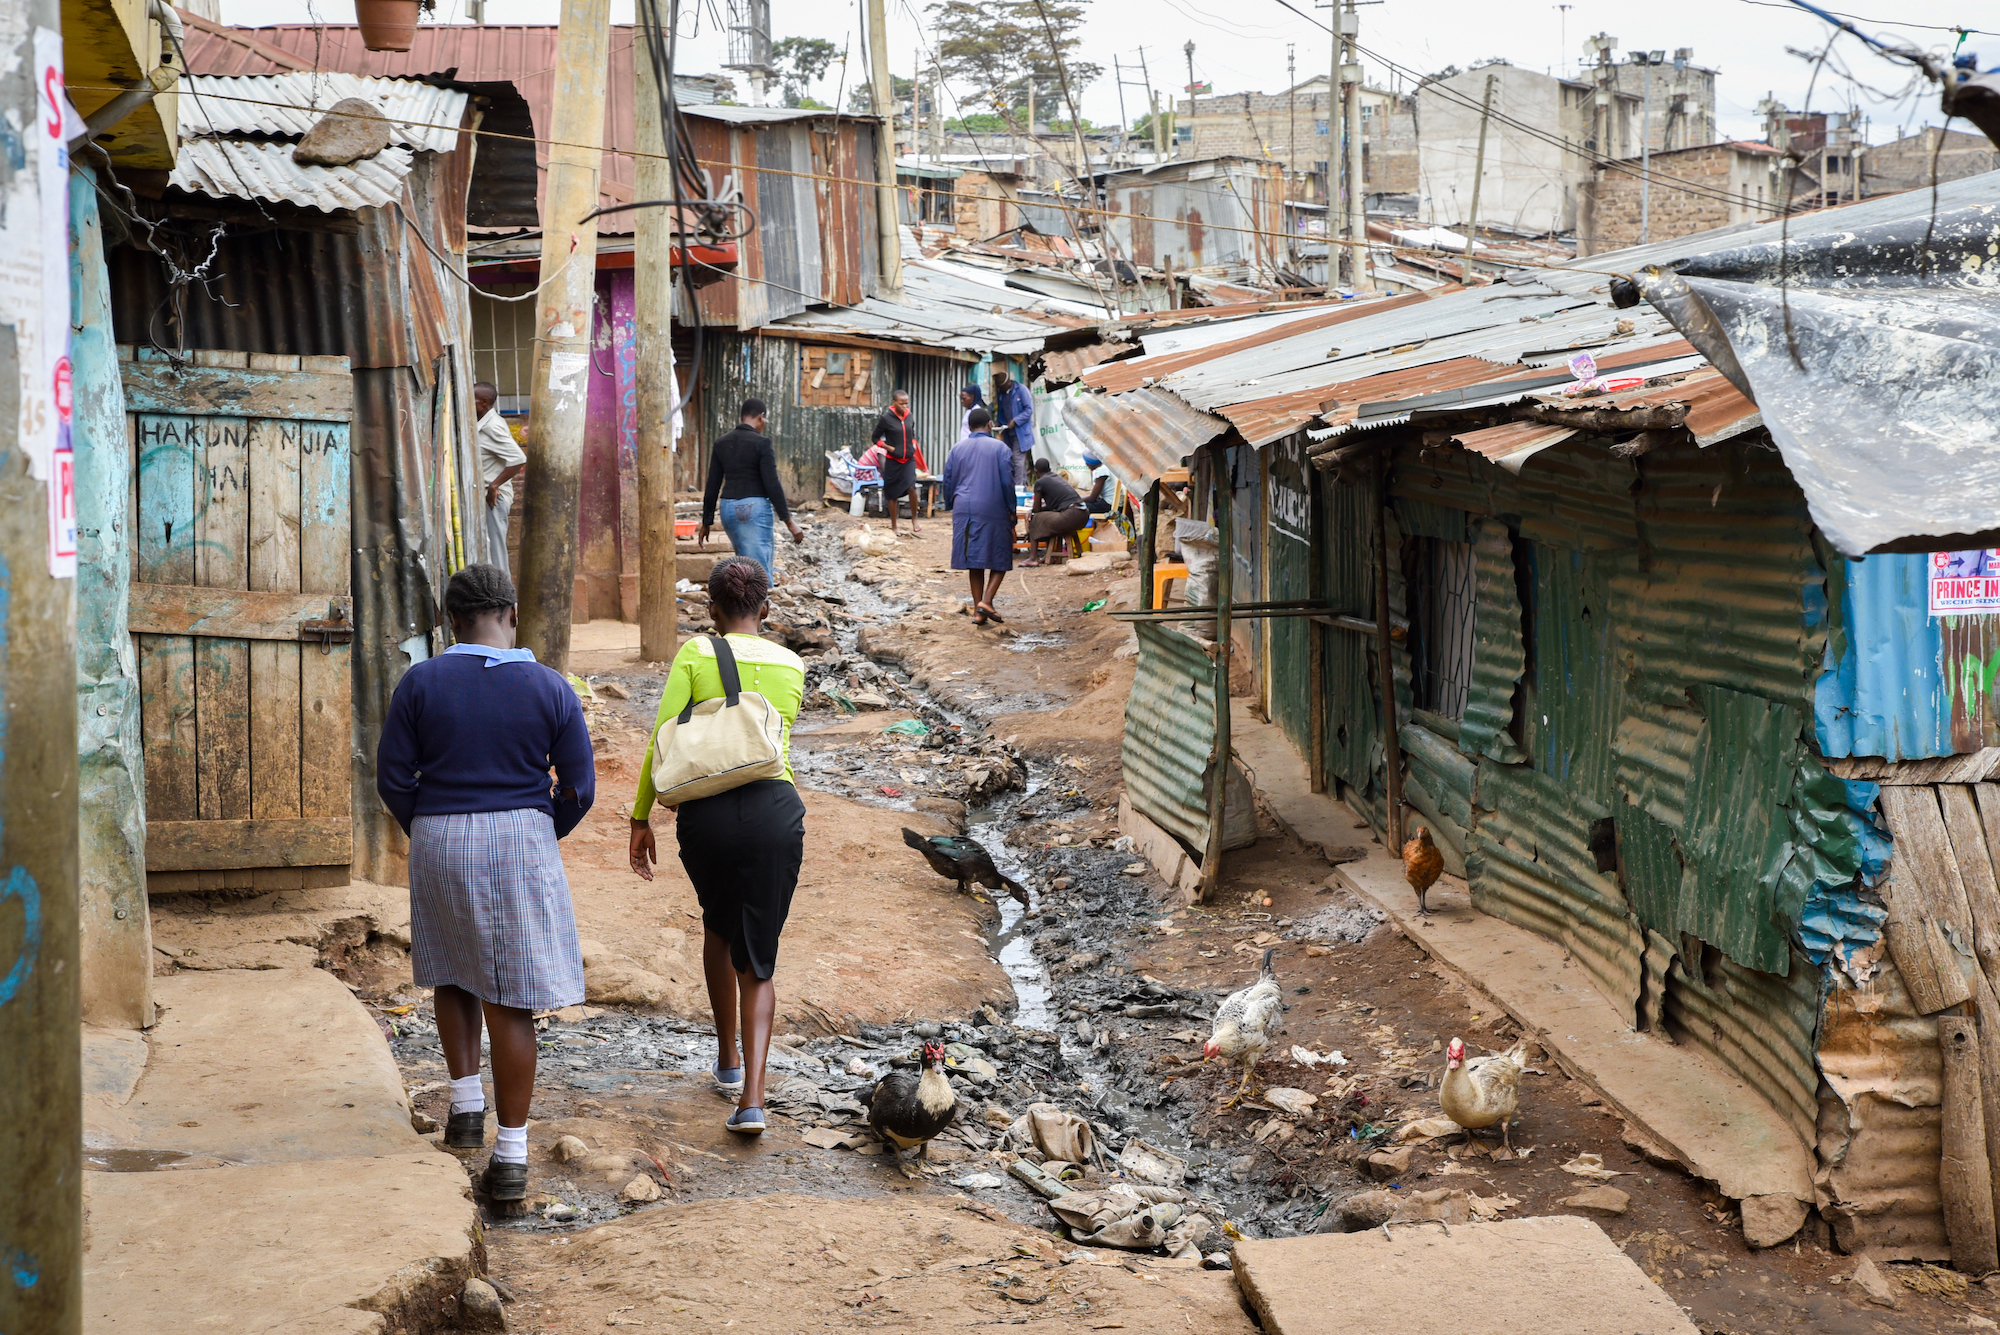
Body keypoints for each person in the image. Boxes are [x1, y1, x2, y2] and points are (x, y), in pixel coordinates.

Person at [376, 564, 595, 1203]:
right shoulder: (550, 688)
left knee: (452, 970)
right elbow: (579, 787)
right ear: (513, 613)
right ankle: (511, 1157)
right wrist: (535, 826)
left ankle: (465, 1110)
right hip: (521, 837)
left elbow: (394, 778)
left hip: (439, 836)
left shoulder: (420, 683)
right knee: (512, 998)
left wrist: (433, 827)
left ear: (450, 619)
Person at [627, 557, 806, 1135]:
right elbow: (778, 742)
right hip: (774, 813)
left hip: (705, 817)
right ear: (768, 609)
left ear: (711, 610)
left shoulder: (696, 654)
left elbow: (663, 736)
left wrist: (640, 816)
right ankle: (751, 1099)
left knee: (717, 926)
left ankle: (727, 1059)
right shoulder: (792, 664)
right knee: (759, 954)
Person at [701, 397, 803, 580]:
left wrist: (706, 521)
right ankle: (759, 605)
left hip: (728, 509)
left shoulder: (721, 442)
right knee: (759, 572)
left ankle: (745, 605)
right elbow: (772, 484)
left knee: (744, 566)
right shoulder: (762, 443)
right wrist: (789, 522)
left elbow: (712, 484)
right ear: (761, 417)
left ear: (742, 417)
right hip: (752, 509)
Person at [941, 407, 1016, 625]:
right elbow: (1007, 482)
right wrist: (1012, 508)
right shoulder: (1000, 448)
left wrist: (950, 504)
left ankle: (978, 611)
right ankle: (986, 601)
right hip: (993, 506)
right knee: (1000, 557)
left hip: (963, 508)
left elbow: (948, 480)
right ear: (989, 425)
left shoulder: (957, 449)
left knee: (974, 559)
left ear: (969, 426)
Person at [474, 383, 526, 579]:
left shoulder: (492, 426)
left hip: (494, 499)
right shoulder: (483, 423)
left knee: (496, 554)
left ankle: (505, 604)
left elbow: (519, 458)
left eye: (473, 400)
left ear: (484, 403)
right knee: (489, 553)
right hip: (487, 497)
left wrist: (494, 486)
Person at [869, 388, 926, 537]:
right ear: (894, 403)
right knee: (892, 494)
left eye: (906, 404)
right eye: (901, 404)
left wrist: (913, 444)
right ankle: (894, 525)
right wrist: (889, 448)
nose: (904, 407)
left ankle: (914, 518)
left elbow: (911, 433)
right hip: (893, 460)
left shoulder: (909, 416)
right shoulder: (886, 418)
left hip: (908, 460)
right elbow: (875, 439)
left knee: (912, 488)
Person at [1023, 458, 1092, 566]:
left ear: (1036, 472)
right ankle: (1049, 556)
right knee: (1046, 518)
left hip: (1071, 515)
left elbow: (1036, 510)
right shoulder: (1056, 477)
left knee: (1035, 519)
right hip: (1083, 515)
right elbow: (1052, 506)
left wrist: (1031, 511)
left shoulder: (1040, 482)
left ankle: (1033, 558)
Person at [991, 371, 1035, 488]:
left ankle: (1017, 491)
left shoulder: (1021, 390)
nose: (1000, 389)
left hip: (1021, 434)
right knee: (1013, 462)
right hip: (1008, 433)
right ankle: (1023, 488)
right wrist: (998, 423)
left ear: (1008, 383)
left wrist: (1015, 420)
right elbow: (1001, 413)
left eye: (1001, 386)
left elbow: (1029, 410)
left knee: (1017, 462)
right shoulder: (1002, 394)